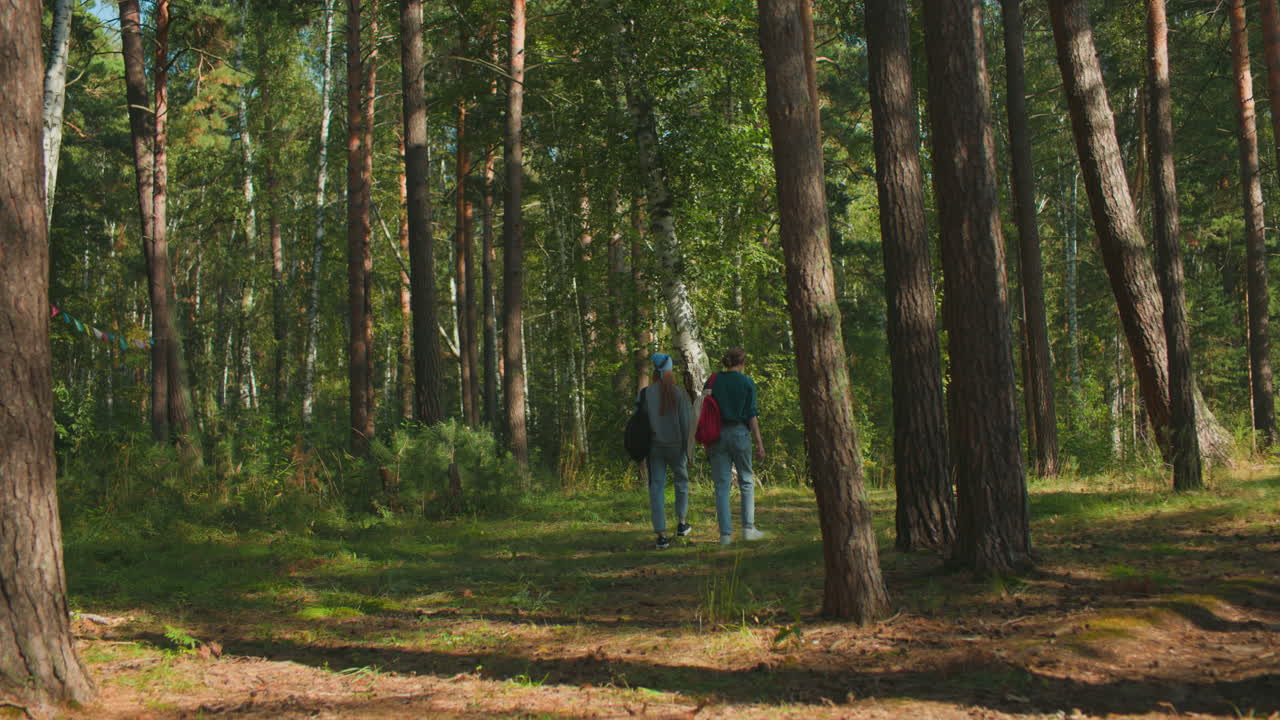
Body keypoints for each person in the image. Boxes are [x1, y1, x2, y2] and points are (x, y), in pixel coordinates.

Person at [707, 347, 766, 545]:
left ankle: (725, 536)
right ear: (742, 362)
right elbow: (752, 415)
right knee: (746, 482)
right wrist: (759, 442)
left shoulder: (713, 380)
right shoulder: (746, 382)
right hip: (740, 433)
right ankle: (748, 529)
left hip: (716, 435)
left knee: (721, 486)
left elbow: (705, 407)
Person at [639, 352, 692, 549]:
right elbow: (686, 424)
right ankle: (681, 523)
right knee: (681, 482)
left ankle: (661, 535)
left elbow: (639, 423)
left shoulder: (645, 394)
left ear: (655, 372)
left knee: (657, 488)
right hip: (676, 446)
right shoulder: (678, 393)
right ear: (669, 371)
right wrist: (689, 450)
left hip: (654, 448)